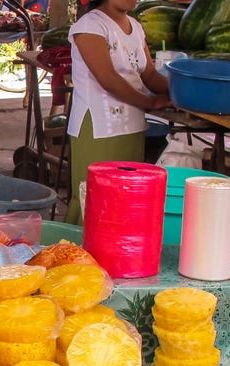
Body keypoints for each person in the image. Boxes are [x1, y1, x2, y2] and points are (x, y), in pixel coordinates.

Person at [65, 0, 171, 224]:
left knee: (123, 201)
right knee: (94, 199)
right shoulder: (90, 26)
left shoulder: (135, 26)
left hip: (132, 126)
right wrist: (151, 103)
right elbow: (108, 79)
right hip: (99, 127)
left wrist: (181, 91)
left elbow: (149, 74)